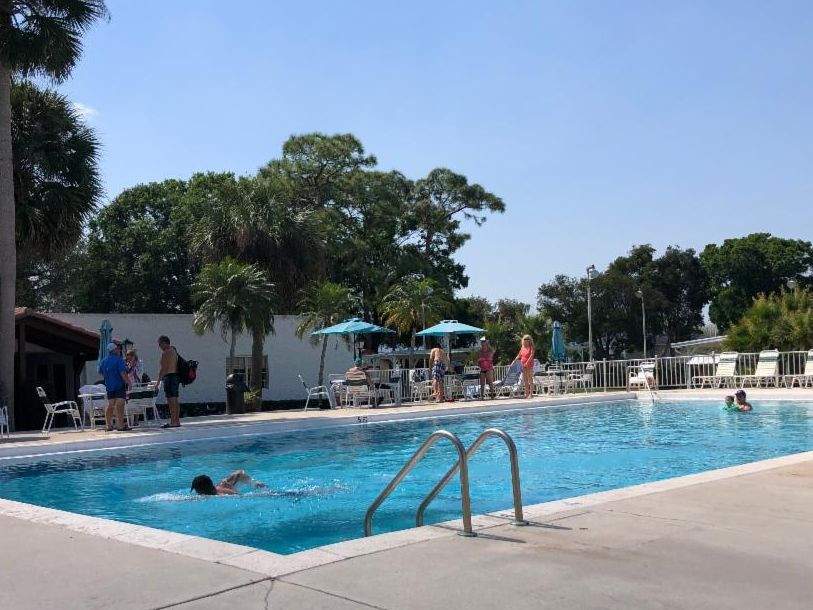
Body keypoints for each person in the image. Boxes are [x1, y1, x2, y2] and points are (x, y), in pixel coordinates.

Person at [98, 342, 130, 431]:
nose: (119, 350)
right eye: (118, 349)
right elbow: (123, 373)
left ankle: (109, 425)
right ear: (114, 350)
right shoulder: (119, 360)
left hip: (109, 386)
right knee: (120, 404)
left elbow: (101, 372)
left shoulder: (103, 361)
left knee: (110, 405)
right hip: (119, 385)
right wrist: (129, 383)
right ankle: (120, 426)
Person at [157, 335, 182, 428]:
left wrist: (158, 382)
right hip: (175, 376)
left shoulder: (166, 353)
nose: (159, 346)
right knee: (175, 398)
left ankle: (173, 421)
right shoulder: (174, 350)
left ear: (164, 343)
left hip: (169, 377)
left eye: (160, 344)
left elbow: (163, 368)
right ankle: (177, 421)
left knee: (171, 400)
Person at [191, 470, 265, 496]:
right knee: (238, 474)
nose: (196, 491)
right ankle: (257, 484)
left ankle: (257, 484)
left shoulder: (222, 494)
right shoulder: (218, 487)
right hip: (224, 486)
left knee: (239, 474)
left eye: (196, 489)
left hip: (231, 490)